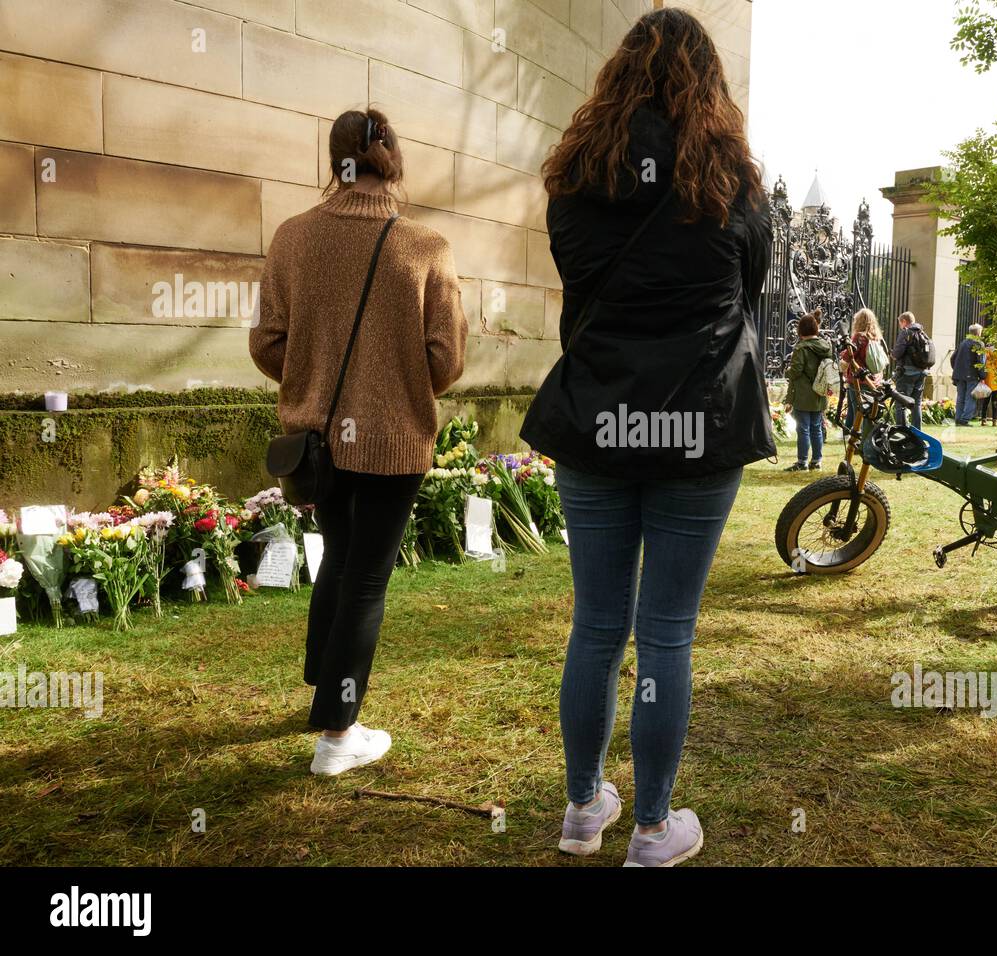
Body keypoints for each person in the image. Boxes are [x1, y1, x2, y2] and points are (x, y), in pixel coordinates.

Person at [519, 7, 774, 867]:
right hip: (699, 425)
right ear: (709, 81)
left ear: (615, 74)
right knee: (666, 631)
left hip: (598, 421)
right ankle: (655, 829)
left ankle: (583, 808)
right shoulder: (732, 178)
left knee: (596, 626)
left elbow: (581, 285)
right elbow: (750, 287)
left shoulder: (574, 174)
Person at [251, 108, 468, 773]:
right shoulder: (426, 246)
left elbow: (267, 342)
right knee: (366, 577)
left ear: (334, 160)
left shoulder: (293, 238)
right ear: (393, 159)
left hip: (318, 442)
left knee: (341, 561)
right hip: (393, 440)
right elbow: (446, 358)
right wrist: (398, 381)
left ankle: (323, 690)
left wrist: (314, 383)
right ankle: (338, 737)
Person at [784, 309, 833, 470]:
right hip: (819, 393)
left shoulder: (801, 348)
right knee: (816, 428)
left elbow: (796, 371)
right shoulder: (825, 346)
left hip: (804, 394)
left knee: (803, 429)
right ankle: (817, 460)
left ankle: (802, 462)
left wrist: (787, 371)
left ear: (800, 330)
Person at [839, 308, 888, 438]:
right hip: (872, 379)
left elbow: (849, 356)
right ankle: (852, 433)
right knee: (862, 410)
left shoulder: (859, 337)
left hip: (859, 380)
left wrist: (842, 359)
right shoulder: (876, 337)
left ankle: (861, 440)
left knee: (859, 412)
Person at [890, 312, 929, 427]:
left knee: (901, 403)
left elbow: (897, 353)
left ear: (904, 321)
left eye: (900, 323)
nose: (900, 326)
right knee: (917, 404)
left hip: (907, 372)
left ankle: (903, 430)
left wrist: (892, 354)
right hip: (921, 372)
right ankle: (917, 432)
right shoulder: (923, 333)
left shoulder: (905, 332)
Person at [951, 323, 986, 426]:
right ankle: (964, 419)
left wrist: (957, 369)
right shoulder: (979, 344)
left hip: (959, 375)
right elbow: (981, 362)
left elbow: (953, 358)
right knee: (970, 398)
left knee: (960, 397)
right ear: (978, 333)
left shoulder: (963, 343)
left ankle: (958, 419)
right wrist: (983, 376)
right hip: (972, 375)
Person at [980, 344, 997, 425]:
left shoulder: (984, 355)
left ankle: (983, 420)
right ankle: (994, 421)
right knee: (995, 403)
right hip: (996, 384)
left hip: (986, 383)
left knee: (985, 403)